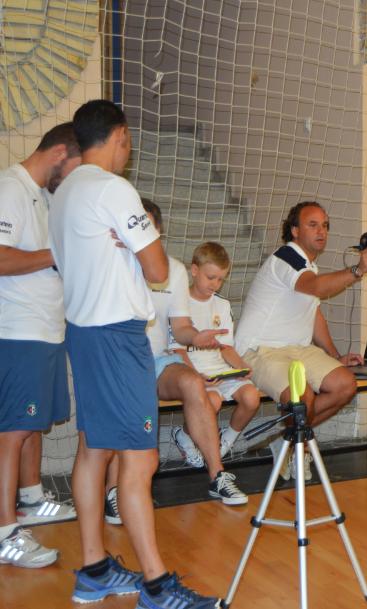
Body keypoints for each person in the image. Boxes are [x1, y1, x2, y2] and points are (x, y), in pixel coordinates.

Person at [49, 99, 217, 608]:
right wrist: (143, 235)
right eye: (129, 141)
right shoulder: (114, 189)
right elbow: (161, 270)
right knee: (140, 461)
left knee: (93, 449)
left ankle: (95, 569)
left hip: (82, 331)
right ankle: (157, 586)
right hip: (118, 337)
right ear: (120, 135)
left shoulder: (65, 191)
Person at [235, 201, 367, 462]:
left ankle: (288, 442)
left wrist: (336, 356)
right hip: (261, 350)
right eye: (312, 225)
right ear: (294, 231)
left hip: (298, 350)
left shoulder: (309, 267)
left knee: (345, 385)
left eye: (324, 225)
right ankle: (296, 448)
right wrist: (357, 270)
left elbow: (314, 314)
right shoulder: (286, 257)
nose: (321, 231)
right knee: (304, 398)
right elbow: (315, 288)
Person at [0, 123, 81, 568]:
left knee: (31, 425)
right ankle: (4, 530)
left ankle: (30, 499)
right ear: (59, 155)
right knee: (11, 431)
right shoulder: (10, 188)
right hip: (18, 331)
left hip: (46, 329)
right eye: (74, 169)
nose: (72, 180)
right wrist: (56, 255)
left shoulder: (44, 195)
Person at [137, 199, 247, 506]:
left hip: (160, 360)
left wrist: (197, 336)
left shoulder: (173, 270)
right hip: (122, 358)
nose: (142, 232)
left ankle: (217, 476)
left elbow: (181, 328)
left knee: (194, 382)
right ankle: (115, 490)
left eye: (149, 226)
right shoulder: (113, 264)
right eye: (136, 224)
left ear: (158, 231)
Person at [172, 241, 262, 458]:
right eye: (210, 277)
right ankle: (184, 435)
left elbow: (226, 347)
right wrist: (196, 376)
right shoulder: (178, 302)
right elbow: (178, 350)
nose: (215, 284)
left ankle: (226, 442)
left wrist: (241, 366)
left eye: (221, 279)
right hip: (194, 370)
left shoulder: (222, 305)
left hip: (220, 370)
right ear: (194, 271)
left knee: (251, 397)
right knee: (212, 402)